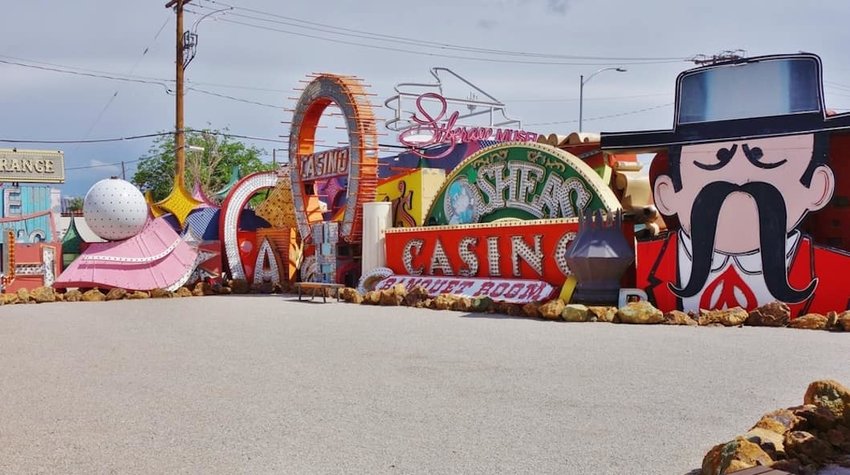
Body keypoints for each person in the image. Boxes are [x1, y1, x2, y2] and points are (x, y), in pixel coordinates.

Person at [600, 53, 850, 316]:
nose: (738, 178)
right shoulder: (645, 267)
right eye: (713, 162)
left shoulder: (837, 273)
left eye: (764, 160)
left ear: (819, 187)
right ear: (667, 192)